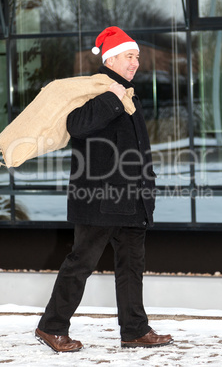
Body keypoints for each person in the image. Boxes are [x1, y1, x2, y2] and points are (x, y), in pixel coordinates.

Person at [35, 26, 173, 352]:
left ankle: (135, 330)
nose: (135, 62)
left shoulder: (129, 95)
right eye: (130, 56)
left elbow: (139, 150)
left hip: (130, 200)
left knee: (131, 267)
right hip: (99, 200)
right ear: (111, 58)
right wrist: (112, 96)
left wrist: (146, 190)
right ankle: (52, 327)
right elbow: (77, 125)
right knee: (80, 263)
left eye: (137, 56)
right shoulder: (95, 91)